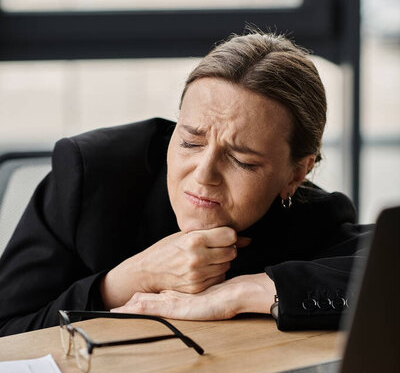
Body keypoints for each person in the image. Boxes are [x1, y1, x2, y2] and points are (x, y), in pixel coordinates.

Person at [0, 31, 370, 337]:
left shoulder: (314, 215)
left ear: (296, 174)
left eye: (242, 160)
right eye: (190, 141)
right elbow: (7, 331)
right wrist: (129, 280)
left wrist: (244, 293)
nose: (203, 174)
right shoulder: (91, 174)